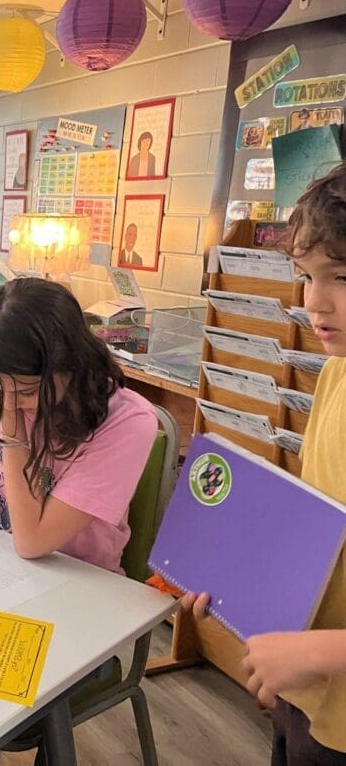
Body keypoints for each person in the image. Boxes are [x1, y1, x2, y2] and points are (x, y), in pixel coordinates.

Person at [183, 163, 346, 766]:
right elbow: (316, 523)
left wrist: (319, 653)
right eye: (306, 277)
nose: (314, 303)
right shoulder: (334, 372)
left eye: (342, 277)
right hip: (306, 695)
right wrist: (238, 577)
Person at [0, 279, 157, 573]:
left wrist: (8, 418)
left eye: (28, 392)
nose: (12, 402)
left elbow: (32, 542)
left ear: (72, 363)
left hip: (80, 579)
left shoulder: (127, 422)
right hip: (2, 560)